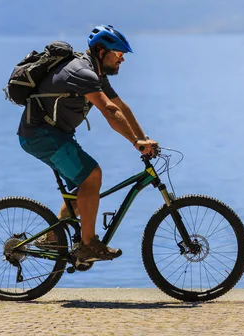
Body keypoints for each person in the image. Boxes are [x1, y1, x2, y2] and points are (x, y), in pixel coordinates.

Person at [18, 24, 158, 263]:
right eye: (119, 54)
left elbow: (122, 107)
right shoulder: (82, 73)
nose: (122, 60)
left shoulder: (96, 75)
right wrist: (136, 142)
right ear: (101, 51)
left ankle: (53, 237)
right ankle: (88, 244)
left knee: (85, 187)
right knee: (92, 176)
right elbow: (110, 110)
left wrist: (143, 138)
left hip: (53, 134)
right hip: (40, 135)